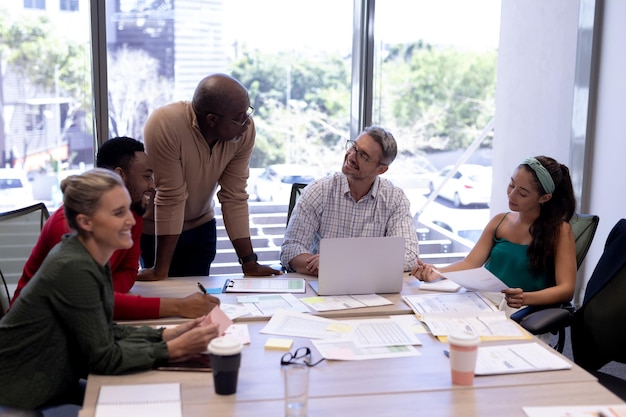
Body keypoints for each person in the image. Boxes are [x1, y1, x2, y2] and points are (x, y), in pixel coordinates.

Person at [0, 169, 219, 412]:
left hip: (53, 379)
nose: (132, 220)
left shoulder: (89, 255)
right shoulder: (74, 267)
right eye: (118, 213)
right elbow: (103, 358)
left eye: (128, 209)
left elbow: (103, 330)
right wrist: (173, 350)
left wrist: (164, 336)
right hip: (24, 392)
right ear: (85, 222)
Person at [10, 137, 220, 320]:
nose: (153, 185)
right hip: (41, 335)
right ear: (120, 175)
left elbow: (128, 271)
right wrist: (179, 306)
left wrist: (103, 293)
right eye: (147, 176)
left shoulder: (131, 214)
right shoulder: (70, 225)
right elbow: (89, 301)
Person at [139, 73, 281, 279]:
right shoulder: (165, 124)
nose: (247, 123)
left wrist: (249, 262)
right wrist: (160, 269)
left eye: (247, 114)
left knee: (196, 299)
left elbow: (235, 195)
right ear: (212, 120)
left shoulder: (242, 133)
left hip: (201, 226)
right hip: (157, 232)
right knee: (163, 297)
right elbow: (171, 196)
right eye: (239, 118)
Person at [412, 156, 577, 310]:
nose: (511, 195)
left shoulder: (560, 231)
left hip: (522, 312)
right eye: (512, 185)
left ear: (544, 198)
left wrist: (525, 298)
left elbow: (566, 289)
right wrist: (438, 272)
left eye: (523, 193)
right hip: (483, 303)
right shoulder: (500, 221)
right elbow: (470, 264)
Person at [280, 126, 420, 276]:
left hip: (371, 289)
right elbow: (291, 249)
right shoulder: (319, 190)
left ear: (381, 170)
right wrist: (331, 268)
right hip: (322, 285)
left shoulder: (395, 199)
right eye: (354, 147)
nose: (352, 156)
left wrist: (339, 263)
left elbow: (409, 255)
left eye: (364, 156)